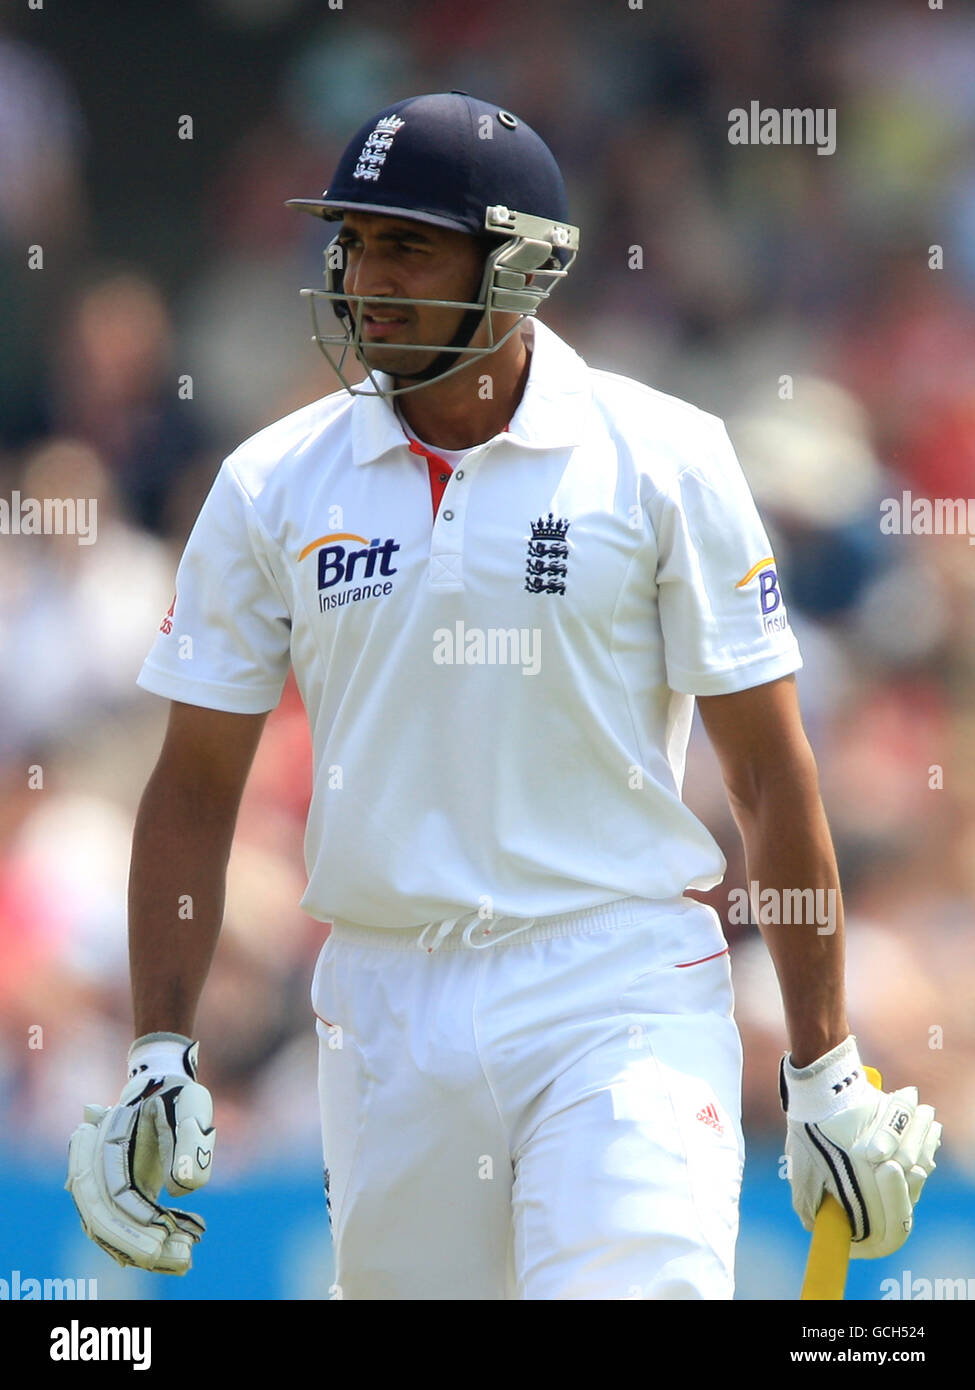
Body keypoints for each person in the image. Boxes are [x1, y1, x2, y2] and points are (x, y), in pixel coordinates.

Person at [66, 92, 941, 1300]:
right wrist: (157, 1051)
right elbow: (196, 783)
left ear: (519, 267)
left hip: (617, 981)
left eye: (409, 246)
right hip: (385, 1004)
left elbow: (766, 771)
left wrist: (824, 1062)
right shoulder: (271, 483)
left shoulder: (667, 458)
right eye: (354, 242)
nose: (366, 277)